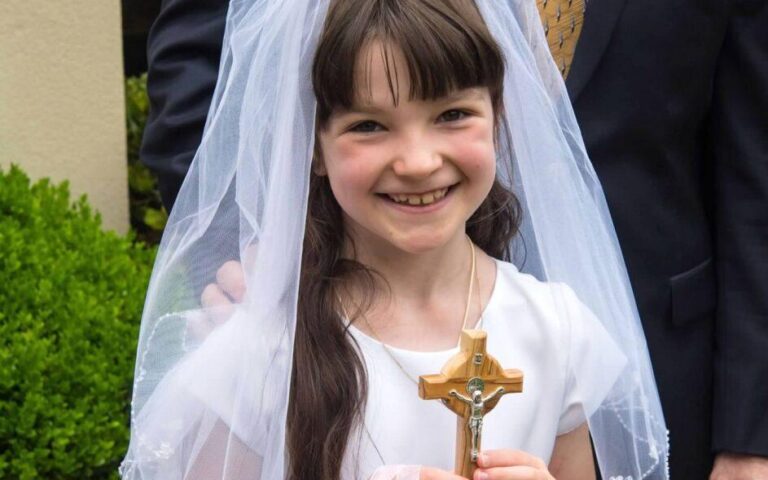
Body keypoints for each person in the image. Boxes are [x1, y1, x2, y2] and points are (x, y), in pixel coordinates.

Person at [140, 0, 768, 477]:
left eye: (451, 115)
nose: (417, 160)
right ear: (311, 146)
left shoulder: (560, 331)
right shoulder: (255, 362)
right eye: (368, 125)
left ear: (503, 115)